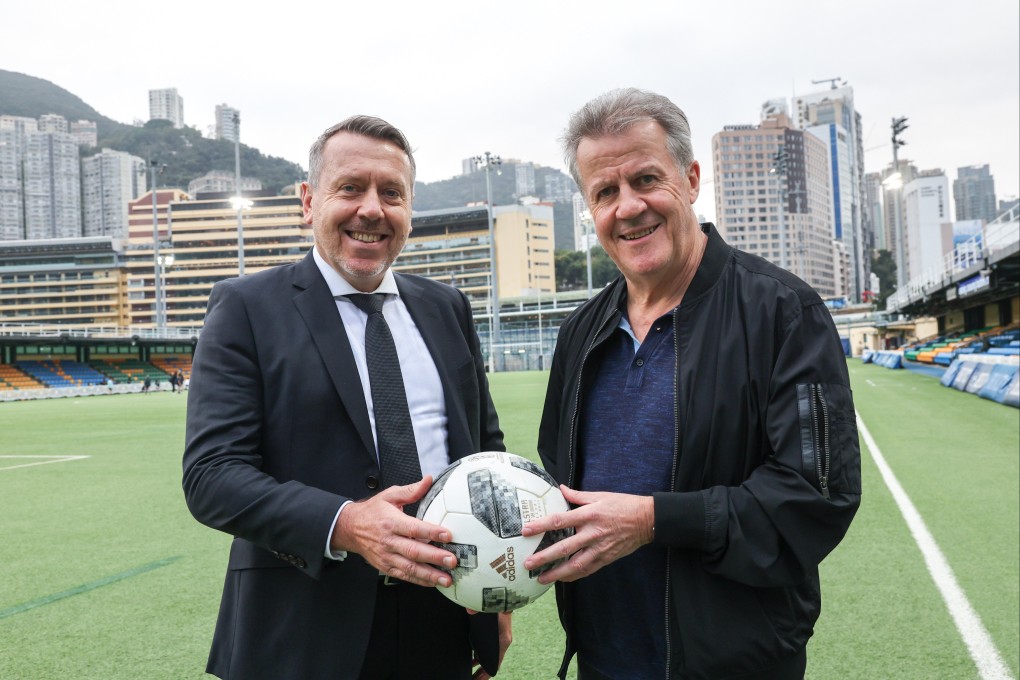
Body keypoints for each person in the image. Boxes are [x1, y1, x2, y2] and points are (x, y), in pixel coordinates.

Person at [522, 88, 862, 679]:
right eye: (605, 192)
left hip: (734, 664)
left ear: (691, 178)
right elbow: (559, 478)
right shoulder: (581, 331)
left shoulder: (782, 312)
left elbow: (816, 499)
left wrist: (655, 519)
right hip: (604, 661)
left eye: (646, 179)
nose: (628, 207)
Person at [183, 115, 510, 680]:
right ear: (310, 201)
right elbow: (211, 476)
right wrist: (347, 524)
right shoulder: (246, 308)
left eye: (392, 193)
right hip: (305, 626)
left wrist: (496, 597)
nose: (372, 209)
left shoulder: (446, 307)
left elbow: (485, 453)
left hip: (445, 610)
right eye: (351, 188)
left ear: (409, 209)